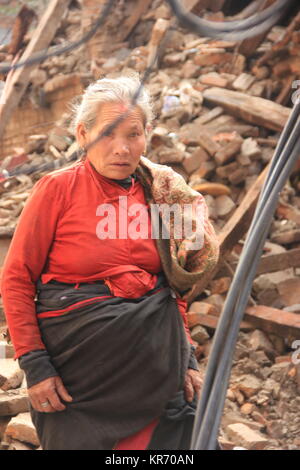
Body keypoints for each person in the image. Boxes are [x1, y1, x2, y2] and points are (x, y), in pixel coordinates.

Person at [0, 75, 219, 450]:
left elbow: (172, 290)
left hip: (156, 371)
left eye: (133, 134)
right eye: (107, 134)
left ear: (148, 133)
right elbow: (17, 279)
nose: (121, 148)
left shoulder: (162, 193)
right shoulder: (57, 189)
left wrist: (187, 361)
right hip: (77, 383)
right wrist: (35, 367)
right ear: (83, 134)